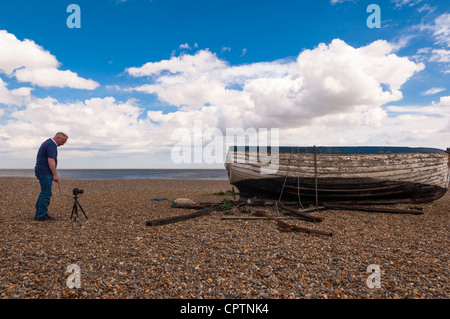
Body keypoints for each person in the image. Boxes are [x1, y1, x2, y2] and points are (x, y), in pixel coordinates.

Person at [34, 132, 68, 221]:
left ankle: (38, 214)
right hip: (45, 172)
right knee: (46, 194)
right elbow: (51, 160)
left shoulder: (48, 143)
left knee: (44, 193)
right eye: (63, 141)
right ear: (57, 138)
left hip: (41, 171)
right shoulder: (51, 144)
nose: (63, 144)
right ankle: (41, 215)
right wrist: (55, 175)